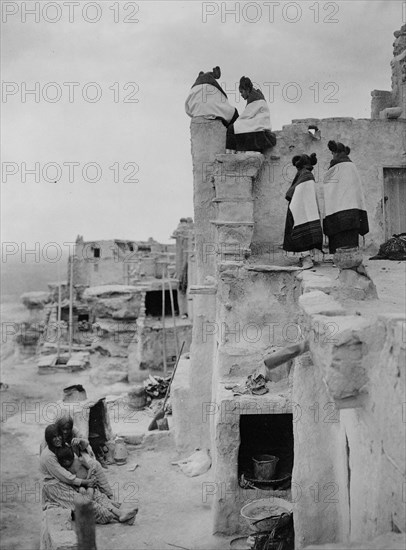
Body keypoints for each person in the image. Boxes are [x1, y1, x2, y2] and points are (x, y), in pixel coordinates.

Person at [40, 425, 138, 525]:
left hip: (71, 479)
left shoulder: (62, 445)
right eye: (54, 437)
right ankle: (116, 517)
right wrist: (87, 482)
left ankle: (119, 513)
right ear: (48, 439)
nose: (57, 439)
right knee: (84, 502)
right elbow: (65, 476)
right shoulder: (48, 456)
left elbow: (75, 460)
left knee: (95, 494)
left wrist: (87, 477)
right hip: (55, 486)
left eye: (59, 436)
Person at [323, 141, 369, 253]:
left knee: (338, 240)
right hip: (352, 212)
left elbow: (328, 187)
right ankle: (351, 259)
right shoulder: (352, 167)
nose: (332, 156)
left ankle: (338, 258)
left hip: (336, 213)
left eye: (332, 153)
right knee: (350, 242)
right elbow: (357, 189)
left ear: (336, 152)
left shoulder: (334, 168)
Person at [282, 153, 323, 269]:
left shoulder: (305, 175)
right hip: (306, 209)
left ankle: (307, 260)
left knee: (301, 232)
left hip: (301, 209)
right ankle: (307, 258)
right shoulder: (306, 174)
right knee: (307, 232)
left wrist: (292, 203)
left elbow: (295, 192)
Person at [55, 416, 113, 496]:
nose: (65, 432)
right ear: (58, 428)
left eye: (67, 429)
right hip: (63, 464)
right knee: (83, 489)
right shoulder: (54, 434)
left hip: (75, 458)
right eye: (63, 429)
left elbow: (86, 443)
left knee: (95, 465)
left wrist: (80, 441)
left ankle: (108, 494)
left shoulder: (73, 430)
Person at [226, 76, 276, 153]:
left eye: (242, 92)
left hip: (260, 128)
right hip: (261, 126)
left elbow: (245, 117)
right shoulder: (256, 96)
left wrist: (235, 124)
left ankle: (230, 153)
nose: (241, 95)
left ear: (247, 90)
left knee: (232, 128)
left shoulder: (254, 99)